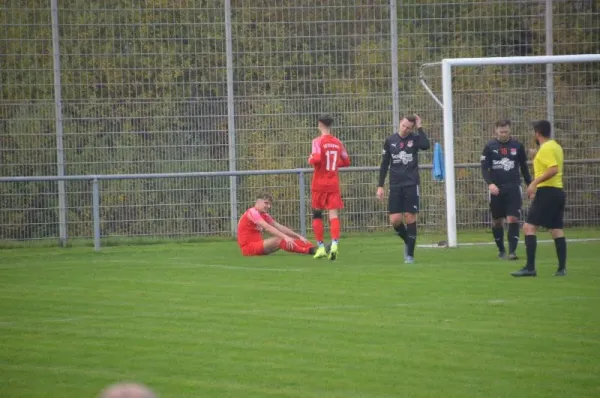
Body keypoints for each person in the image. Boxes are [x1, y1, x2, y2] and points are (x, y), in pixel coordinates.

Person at [511, 120, 566, 277]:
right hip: (557, 191)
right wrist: (537, 155)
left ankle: (530, 268)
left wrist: (534, 183)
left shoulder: (546, 148)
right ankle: (561, 269)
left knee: (528, 227)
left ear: (537, 133)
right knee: (556, 229)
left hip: (547, 192)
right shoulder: (555, 146)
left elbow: (553, 169)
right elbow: (550, 162)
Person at [377, 114, 430, 263]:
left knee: (409, 216)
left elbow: (426, 145)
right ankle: (409, 240)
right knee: (395, 220)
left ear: (412, 128)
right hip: (395, 185)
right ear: (400, 123)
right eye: (403, 126)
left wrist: (420, 127)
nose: (405, 129)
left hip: (411, 184)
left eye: (409, 128)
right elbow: (384, 164)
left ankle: (410, 255)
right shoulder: (390, 141)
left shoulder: (415, 139)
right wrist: (380, 186)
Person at [480, 119, 532, 260]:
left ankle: (512, 252)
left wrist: (530, 185)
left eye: (506, 131)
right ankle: (501, 250)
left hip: (514, 187)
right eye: (501, 131)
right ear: (496, 131)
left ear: (510, 130)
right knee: (497, 221)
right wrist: (490, 184)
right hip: (496, 189)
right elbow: (484, 168)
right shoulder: (490, 146)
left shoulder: (517, 146)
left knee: (513, 218)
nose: (504, 134)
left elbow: (524, 168)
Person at [308, 115, 351, 261]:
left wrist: (310, 159)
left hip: (319, 183)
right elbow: (346, 161)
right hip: (333, 183)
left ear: (320, 124)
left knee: (317, 214)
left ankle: (320, 247)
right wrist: (333, 164)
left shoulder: (317, 141)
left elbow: (317, 158)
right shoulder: (338, 142)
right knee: (333, 215)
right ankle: (334, 245)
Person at [237, 192, 316, 256]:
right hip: (248, 248)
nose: (269, 206)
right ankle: (309, 251)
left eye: (270, 204)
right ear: (258, 202)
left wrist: (298, 236)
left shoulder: (264, 215)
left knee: (289, 238)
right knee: (280, 239)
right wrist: (285, 237)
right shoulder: (252, 212)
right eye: (266, 203)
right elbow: (268, 227)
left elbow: (279, 227)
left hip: (258, 246)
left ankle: (316, 249)